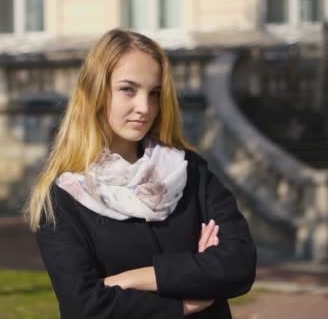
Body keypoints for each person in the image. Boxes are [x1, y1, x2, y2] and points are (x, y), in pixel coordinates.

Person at [24, 29, 256, 318]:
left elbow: (239, 264)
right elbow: (83, 307)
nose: (144, 108)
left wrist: (131, 280)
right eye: (128, 90)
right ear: (96, 91)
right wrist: (187, 299)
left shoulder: (189, 171)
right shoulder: (63, 198)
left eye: (155, 93)